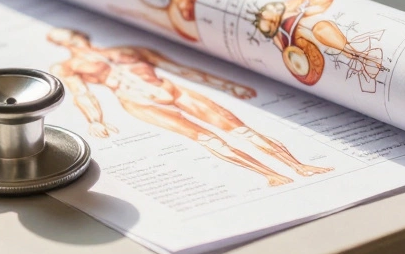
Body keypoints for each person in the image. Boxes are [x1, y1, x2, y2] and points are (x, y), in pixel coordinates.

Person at [47, 28, 331, 186]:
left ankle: (300, 166)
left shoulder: (130, 49)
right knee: (206, 137)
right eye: (64, 41)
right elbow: (82, 94)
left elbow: (180, 69)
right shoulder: (68, 66)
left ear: (82, 34)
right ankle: (270, 175)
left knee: (241, 129)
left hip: (171, 89)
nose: (73, 43)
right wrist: (95, 120)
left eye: (72, 36)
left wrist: (226, 85)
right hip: (137, 102)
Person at [251, 0, 386, 90]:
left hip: (316, 34)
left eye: (271, 18)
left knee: (318, 28)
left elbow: (325, 0)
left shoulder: (293, 10)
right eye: (269, 25)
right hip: (308, 60)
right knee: (315, 30)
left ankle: (355, 53)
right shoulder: (280, 39)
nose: (272, 21)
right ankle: (355, 55)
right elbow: (289, 57)